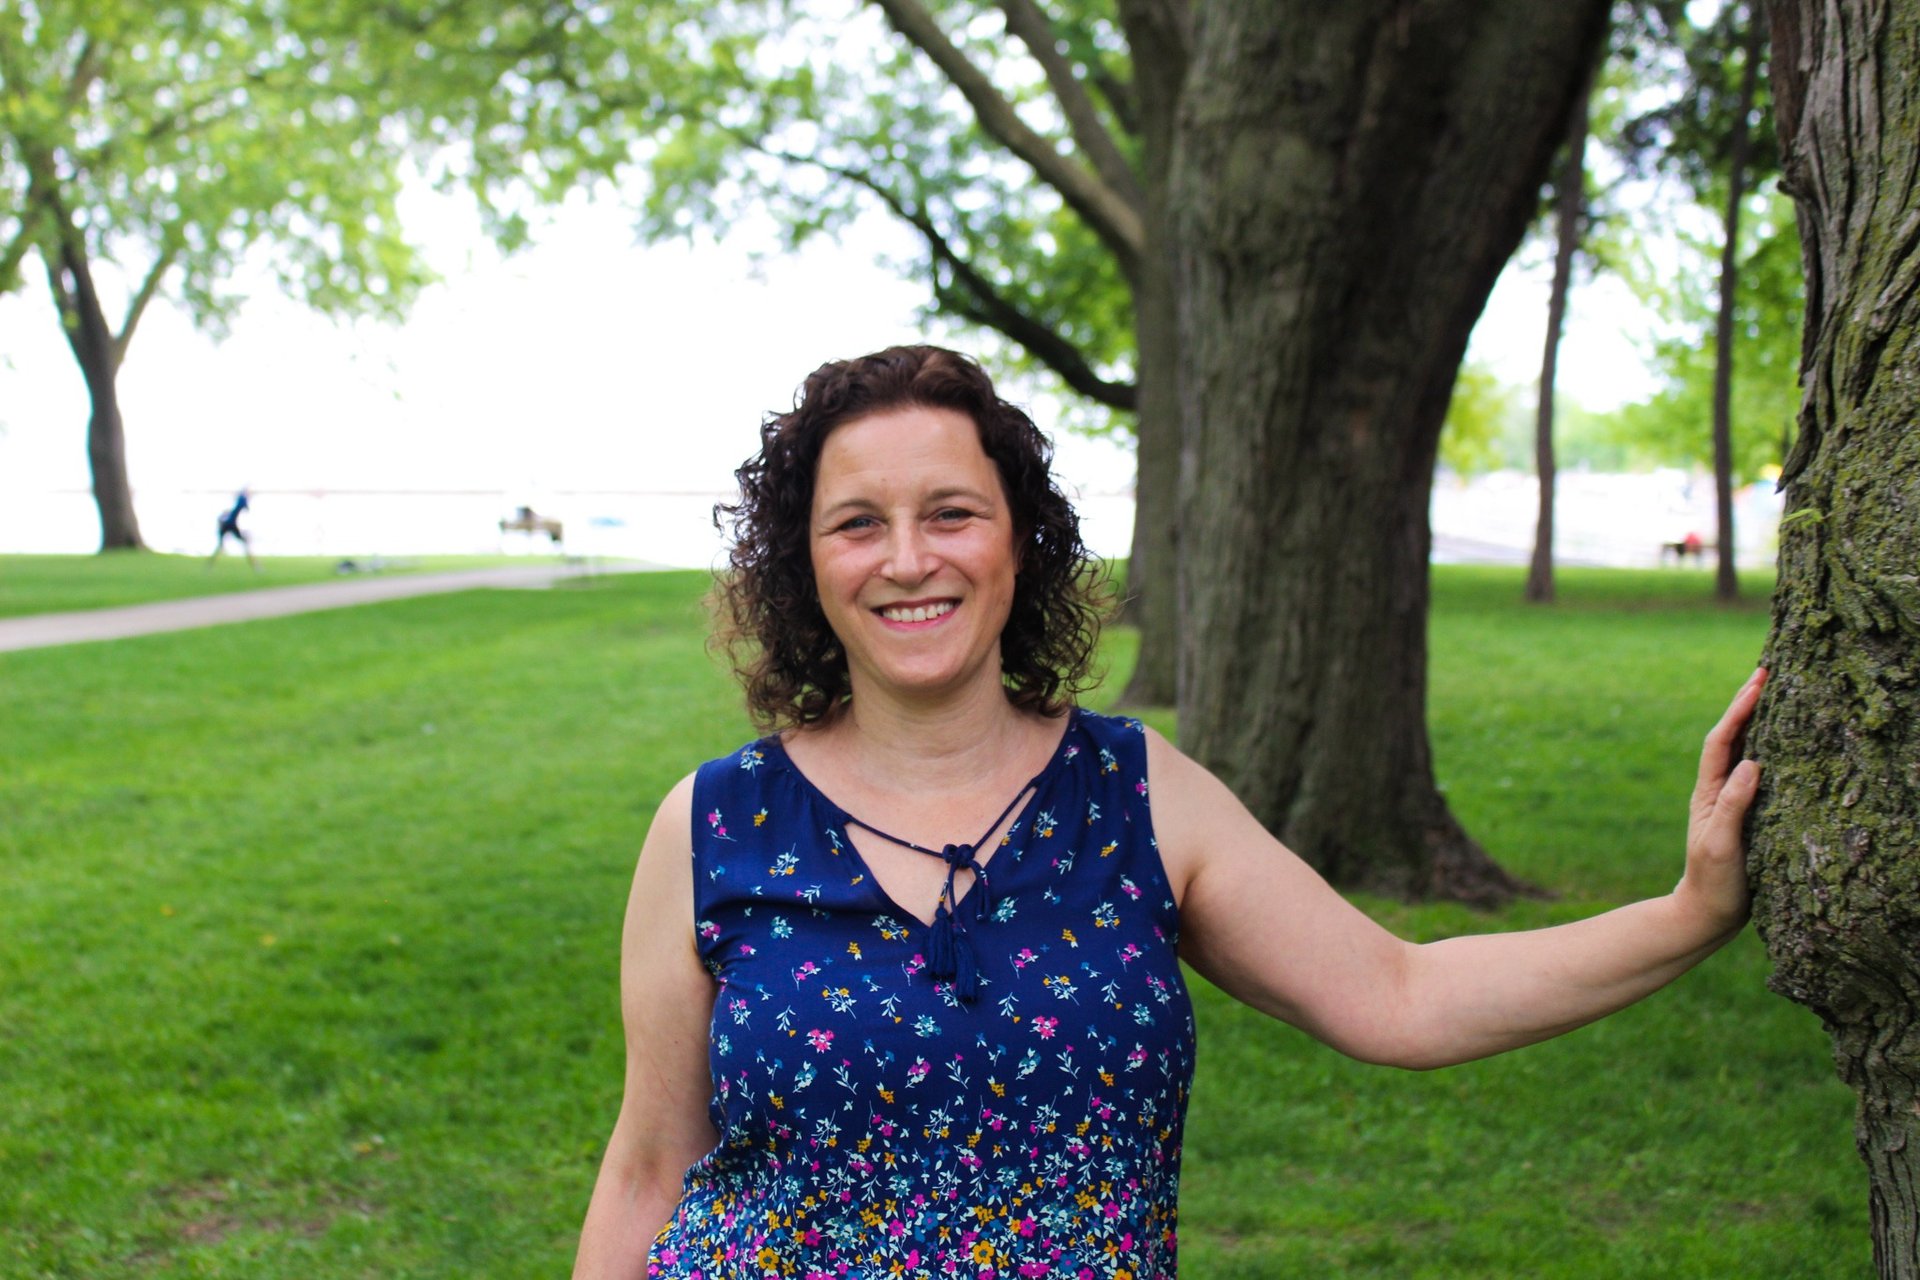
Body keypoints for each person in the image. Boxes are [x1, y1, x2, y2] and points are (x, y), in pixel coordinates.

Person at [572, 346, 1764, 1279]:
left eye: (951, 512)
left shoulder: (1137, 798)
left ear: (1021, 542)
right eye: (857, 523)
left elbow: (1402, 994)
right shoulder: (715, 822)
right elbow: (649, 1163)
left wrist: (1690, 911)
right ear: (807, 562)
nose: (907, 559)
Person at [209, 487, 256, 570]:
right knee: (244, 544)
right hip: (230, 524)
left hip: (226, 524)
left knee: (221, 546)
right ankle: (255, 566)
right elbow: (246, 509)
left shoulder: (239, 499)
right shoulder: (242, 500)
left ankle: (210, 565)